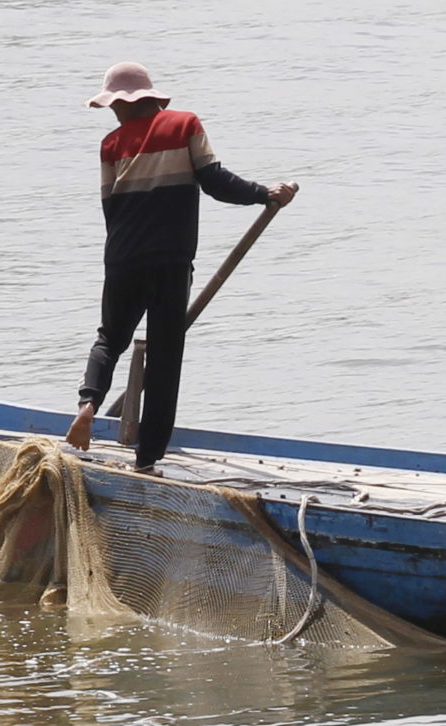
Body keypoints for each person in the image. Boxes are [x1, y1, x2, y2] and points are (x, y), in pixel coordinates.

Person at [64, 63, 297, 471]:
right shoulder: (184, 124)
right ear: (152, 99)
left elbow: (111, 209)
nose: (114, 114)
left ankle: (87, 404)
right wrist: (265, 193)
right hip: (171, 261)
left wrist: (121, 255)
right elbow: (215, 181)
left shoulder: (111, 144)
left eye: (115, 106)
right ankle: (146, 459)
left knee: (109, 340)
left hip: (122, 257)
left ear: (123, 104)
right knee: (165, 358)